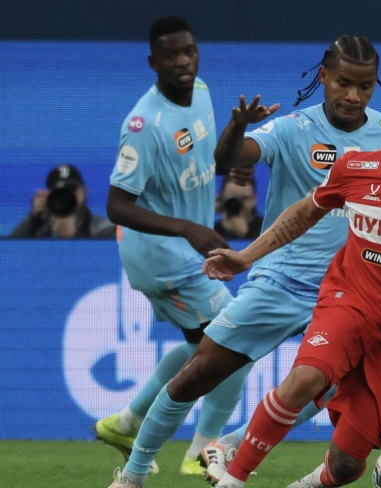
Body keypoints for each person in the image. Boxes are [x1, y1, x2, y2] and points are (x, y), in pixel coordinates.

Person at [103, 37, 381, 488]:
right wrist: (237, 130)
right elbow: (238, 167)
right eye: (344, 83)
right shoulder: (294, 129)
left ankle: (230, 445)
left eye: (365, 86)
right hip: (286, 281)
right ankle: (134, 476)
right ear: (324, 77)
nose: (353, 95)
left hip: (360, 294)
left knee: (328, 408)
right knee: (201, 373)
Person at [203, 72, 381, 488]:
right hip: (347, 301)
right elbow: (305, 212)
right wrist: (246, 256)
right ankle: (234, 477)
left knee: (347, 463)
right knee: (304, 379)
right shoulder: (356, 167)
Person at [96, 15, 266, 480]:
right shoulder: (143, 124)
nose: (183, 62)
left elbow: (206, 164)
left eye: (188, 51)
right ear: (153, 62)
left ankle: (127, 422)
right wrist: (187, 228)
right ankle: (201, 451)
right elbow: (116, 205)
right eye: (170, 55)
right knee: (236, 340)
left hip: (186, 250)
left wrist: (235, 149)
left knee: (202, 346)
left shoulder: (204, 93)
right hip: (162, 256)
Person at [11, 164, 116, 238]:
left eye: (71, 189)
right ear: (48, 195)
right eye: (59, 192)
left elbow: (108, 260)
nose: (66, 196)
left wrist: (73, 237)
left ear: (84, 191)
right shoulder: (40, 229)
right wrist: (33, 219)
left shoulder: (104, 230)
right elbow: (8, 253)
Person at [214, 175, 263, 240]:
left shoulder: (267, 228)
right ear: (221, 198)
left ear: (254, 199)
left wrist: (246, 235)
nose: (236, 203)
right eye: (232, 197)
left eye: (244, 198)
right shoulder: (212, 231)